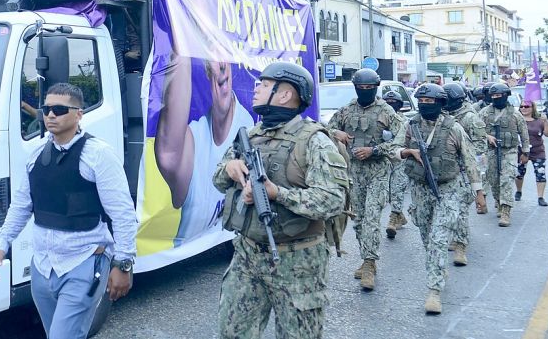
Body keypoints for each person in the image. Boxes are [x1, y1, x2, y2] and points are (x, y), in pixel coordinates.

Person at [0, 83, 137, 338]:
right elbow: (22, 205)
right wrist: (2, 242)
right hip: (43, 268)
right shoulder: (35, 156)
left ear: (79, 113)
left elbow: (123, 213)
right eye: (46, 109)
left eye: (59, 109)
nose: (50, 115)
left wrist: (123, 263)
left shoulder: (98, 155)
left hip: (84, 262)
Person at [214, 62, 349, 339]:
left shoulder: (315, 142)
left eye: (264, 85)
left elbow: (333, 200)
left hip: (298, 260)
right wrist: (230, 170)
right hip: (248, 255)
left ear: (285, 94)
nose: (256, 89)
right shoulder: (251, 137)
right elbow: (218, 180)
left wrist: (278, 194)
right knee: (231, 333)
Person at [155, 57, 254, 245]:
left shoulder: (250, 129)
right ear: (207, 71)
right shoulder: (194, 138)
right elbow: (168, 158)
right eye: (213, 57)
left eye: (224, 54)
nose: (222, 65)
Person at [400, 84, 481, 314]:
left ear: (441, 103)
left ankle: (434, 290)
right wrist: (408, 152)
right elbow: (394, 148)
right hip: (419, 188)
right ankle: (438, 265)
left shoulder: (453, 128)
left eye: (430, 101)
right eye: (422, 101)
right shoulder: (411, 125)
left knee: (438, 237)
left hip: (449, 188)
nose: (426, 105)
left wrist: (479, 192)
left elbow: (469, 159)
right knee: (426, 234)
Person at [327, 68, 405, 291]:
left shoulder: (386, 110)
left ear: (376, 88)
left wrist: (375, 150)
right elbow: (325, 128)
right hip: (354, 173)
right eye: (361, 88)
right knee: (359, 219)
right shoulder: (347, 110)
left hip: (378, 171)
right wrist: (336, 134)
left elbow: (401, 137)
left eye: (369, 88)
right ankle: (365, 256)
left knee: (371, 217)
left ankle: (370, 263)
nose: (365, 91)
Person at [442, 82, 487, 266]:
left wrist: (460, 153)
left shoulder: (469, 118)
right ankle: (455, 236)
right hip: (446, 170)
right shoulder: (444, 116)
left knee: (460, 210)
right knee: (448, 209)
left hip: (463, 171)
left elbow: (480, 146)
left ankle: (461, 245)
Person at [479, 83, 529, 227]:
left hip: (509, 151)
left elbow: (524, 133)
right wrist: (487, 136)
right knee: (493, 180)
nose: (496, 98)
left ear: (505, 96)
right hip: (491, 151)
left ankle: (506, 210)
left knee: (506, 179)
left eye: (498, 96)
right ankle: (498, 201)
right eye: (493, 96)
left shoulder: (515, 114)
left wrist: (525, 152)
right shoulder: (484, 113)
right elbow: (475, 130)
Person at [382, 91, 410, 239]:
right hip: (382, 160)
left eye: (394, 102)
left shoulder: (405, 122)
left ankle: (393, 218)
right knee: (387, 191)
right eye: (387, 102)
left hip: (400, 160)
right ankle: (400, 215)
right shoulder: (379, 119)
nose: (391, 105)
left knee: (397, 188)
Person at [516, 100, 548, 206]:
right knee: (519, 173)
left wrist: (546, 121)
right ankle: (519, 191)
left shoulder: (539, 121)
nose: (524, 108)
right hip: (522, 151)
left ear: (532, 108)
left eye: (526, 106)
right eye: (522, 106)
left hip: (537, 151)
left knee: (540, 174)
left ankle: (540, 197)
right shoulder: (517, 120)